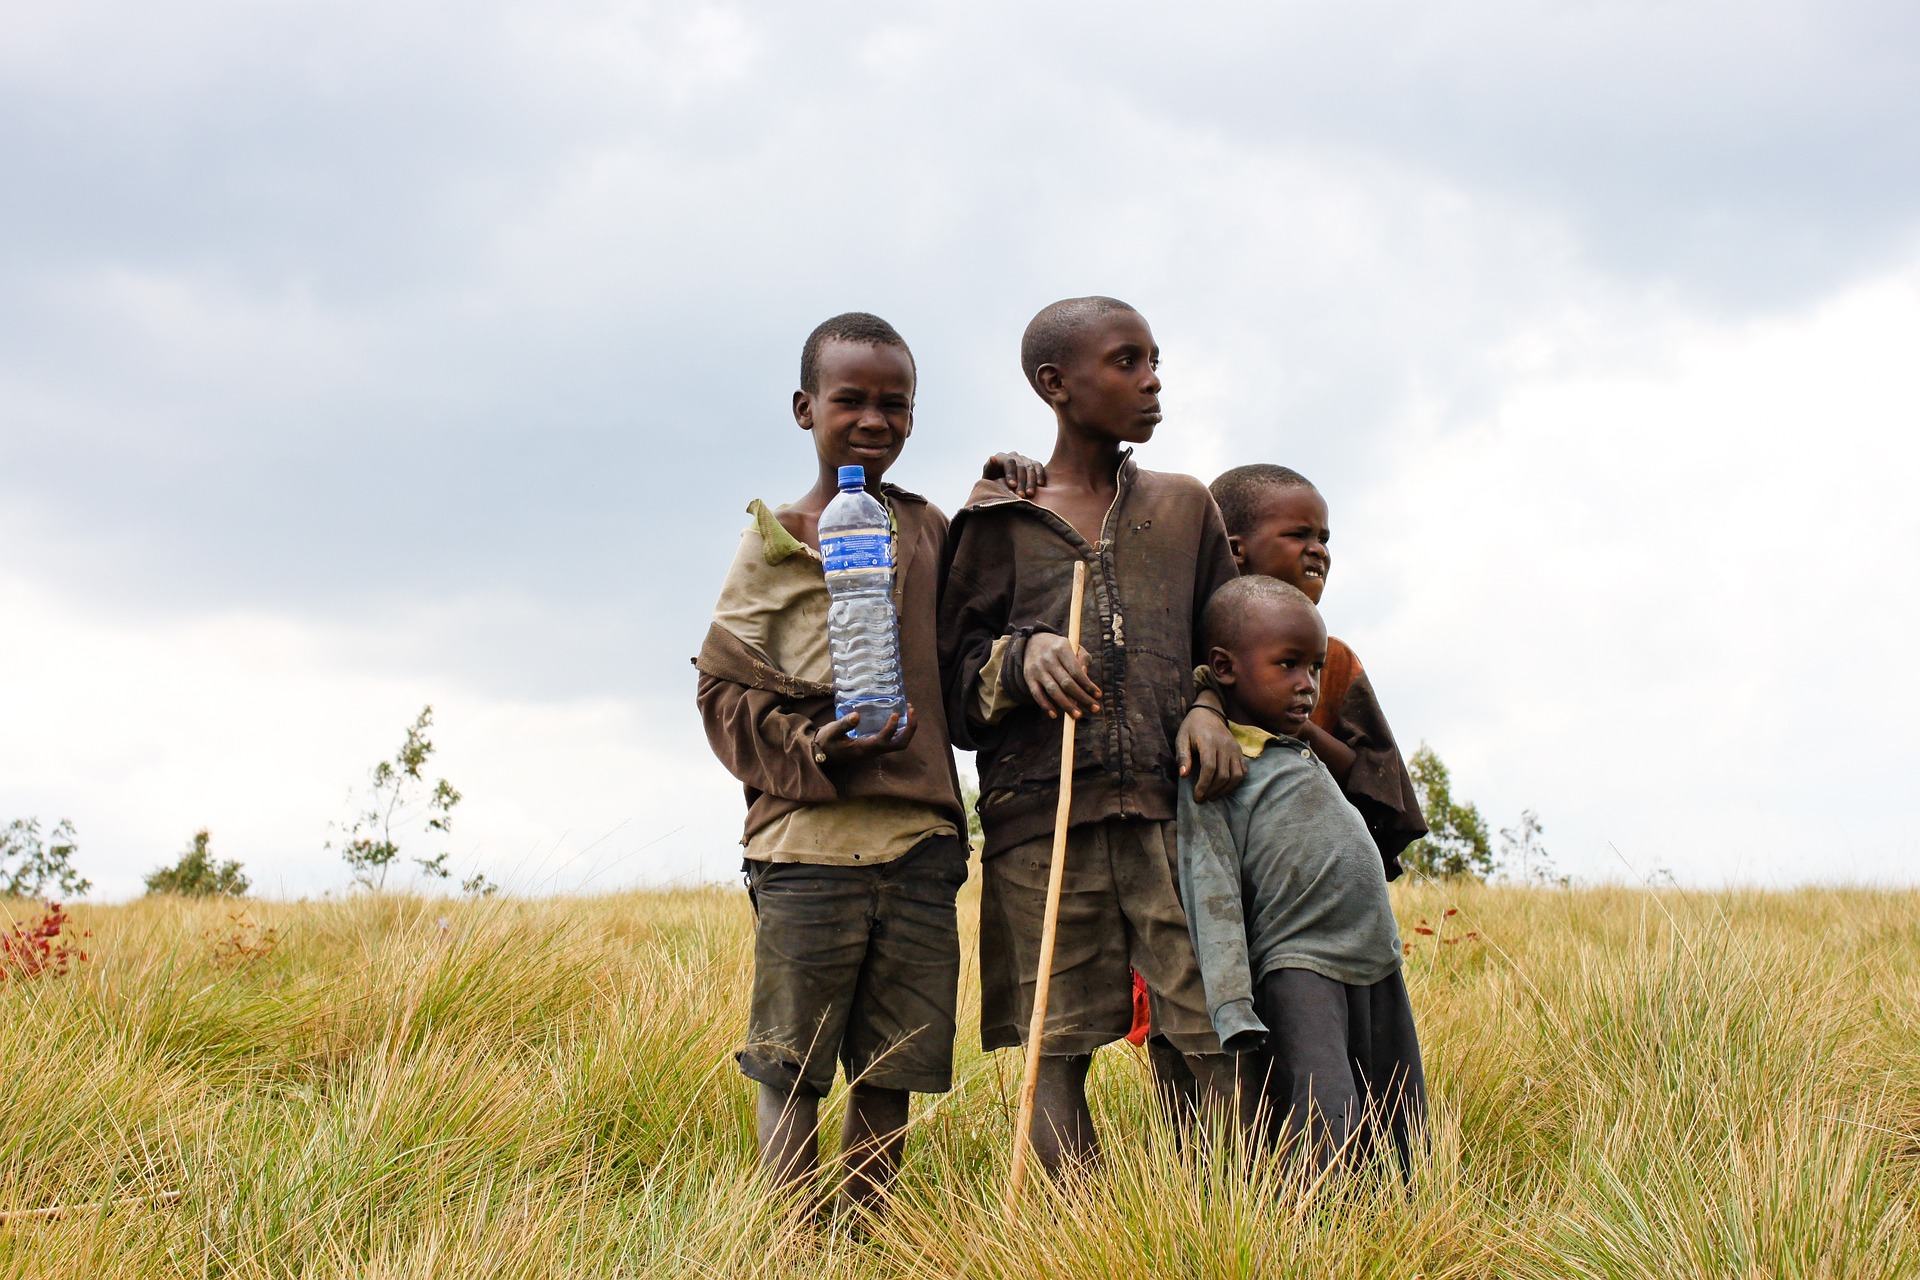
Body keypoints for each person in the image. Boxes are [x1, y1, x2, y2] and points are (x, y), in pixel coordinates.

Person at [940, 296, 1246, 1174]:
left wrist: (1204, 706)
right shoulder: (995, 525)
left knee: (1212, 1034)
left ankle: (1227, 1229)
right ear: (1056, 385)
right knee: (1056, 1047)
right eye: (1126, 362)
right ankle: (1090, 1243)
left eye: (1155, 360)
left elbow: (1227, 648)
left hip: (1173, 817)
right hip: (1043, 824)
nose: (1152, 382)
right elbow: (954, 690)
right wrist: (1018, 657)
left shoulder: (1186, 509)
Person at [694, 312, 968, 1215]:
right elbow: (722, 700)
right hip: (805, 846)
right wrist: (818, 748)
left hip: (920, 844)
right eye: (850, 400)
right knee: (792, 1064)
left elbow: (965, 652)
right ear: (806, 408)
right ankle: (790, 1242)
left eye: (897, 404)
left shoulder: (928, 533)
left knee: (896, 1064)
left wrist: (1010, 487)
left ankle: (867, 1235)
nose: (874, 420)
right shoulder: (774, 543)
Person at [1178, 575, 1426, 1173]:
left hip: (1377, 961)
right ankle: (1313, 1238)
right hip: (1298, 965)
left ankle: (1397, 1238)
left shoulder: (1297, 748)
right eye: (1288, 665)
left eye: (1313, 668)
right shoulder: (1220, 760)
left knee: (1403, 1119)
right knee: (1325, 1122)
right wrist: (1233, 1005)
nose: (1308, 686)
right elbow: (1207, 886)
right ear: (1224, 667)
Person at [1208, 464, 1426, 877]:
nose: (1319, 550)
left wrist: (1299, 728)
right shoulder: (1185, 644)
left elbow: (1381, 796)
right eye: (1299, 535)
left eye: (1324, 538)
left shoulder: (1336, 661)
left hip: (1304, 875)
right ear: (1235, 549)